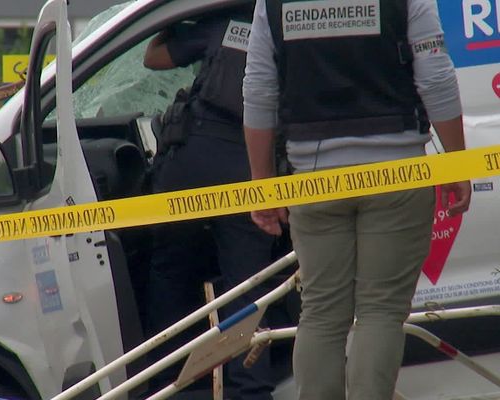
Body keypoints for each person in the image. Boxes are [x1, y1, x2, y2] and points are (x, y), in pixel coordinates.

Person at [242, 0, 471, 399]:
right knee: (380, 311)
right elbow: (435, 77)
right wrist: (456, 163)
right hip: (397, 173)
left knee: (321, 313)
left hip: (313, 179)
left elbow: (259, 89)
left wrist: (262, 184)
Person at [142, 5, 277, 400]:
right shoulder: (288, 26)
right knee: (248, 285)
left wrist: (171, 14)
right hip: (253, 164)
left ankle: (171, 383)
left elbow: (153, 57)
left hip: (192, 162)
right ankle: (249, 390)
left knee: (170, 271)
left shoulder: (220, 22)